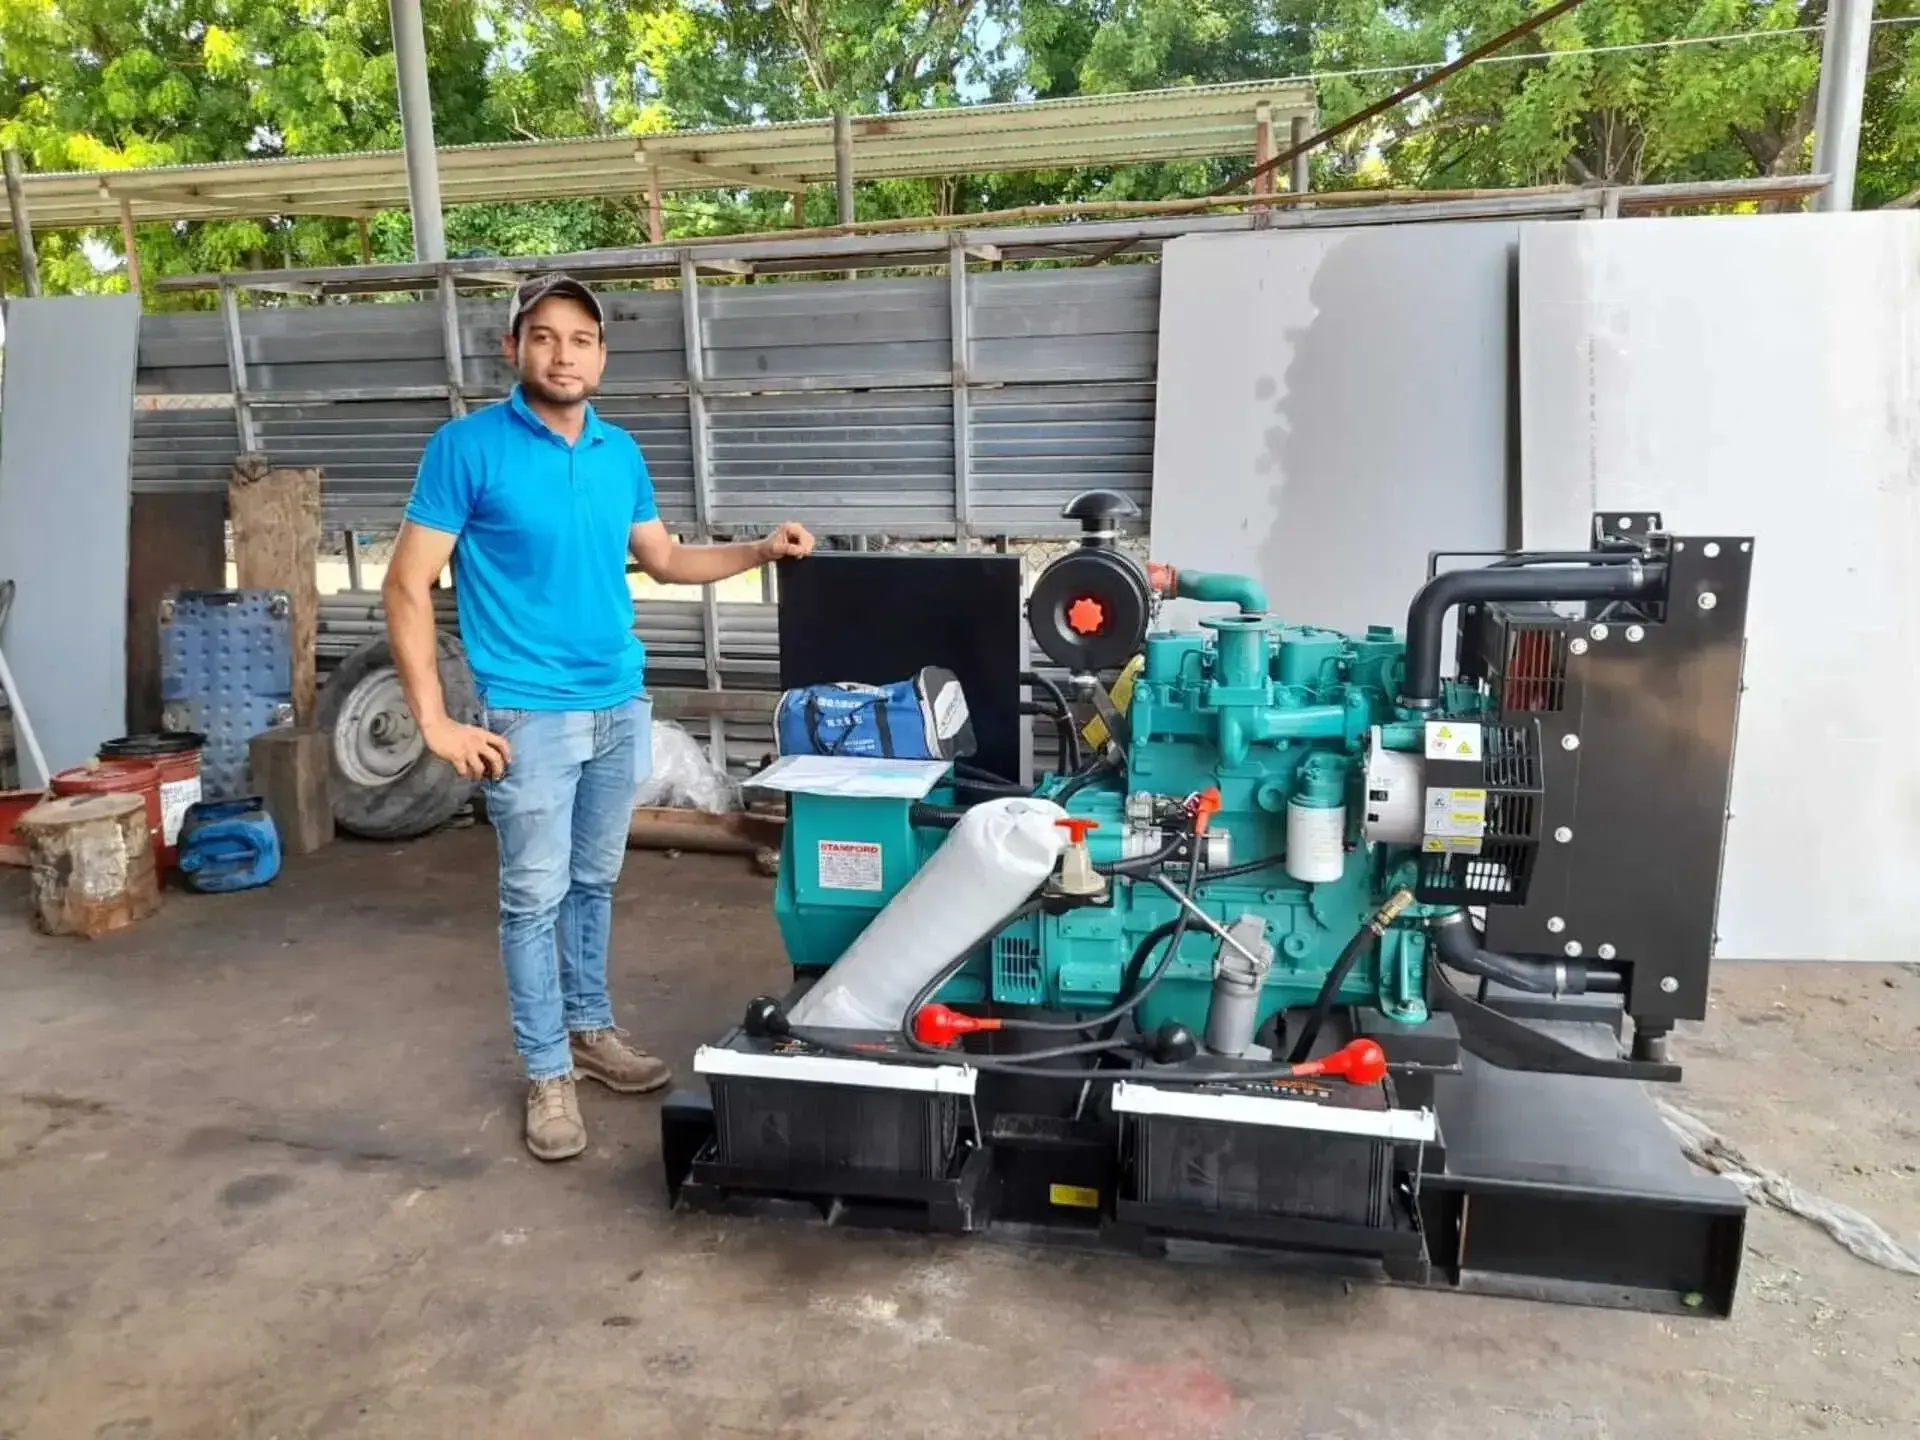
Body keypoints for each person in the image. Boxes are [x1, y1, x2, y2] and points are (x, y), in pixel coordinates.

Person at [384, 273, 814, 1162]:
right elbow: (404, 584)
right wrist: (434, 721)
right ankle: (546, 1070)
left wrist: (761, 548)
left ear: (602, 356)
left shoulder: (620, 452)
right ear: (514, 349)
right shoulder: (466, 449)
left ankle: (590, 1030)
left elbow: (663, 558)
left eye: (581, 339)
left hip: (619, 703)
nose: (563, 353)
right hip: (528, 717)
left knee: (593, 884)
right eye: (544, 336)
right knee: (531, 897)